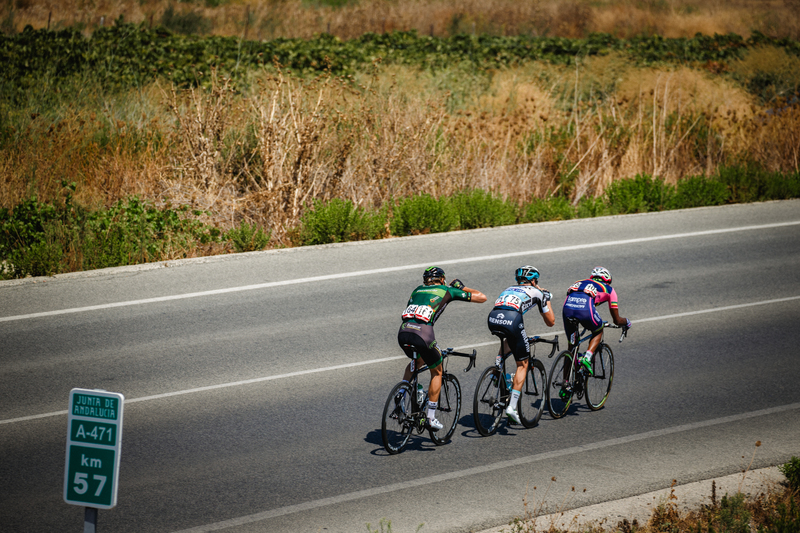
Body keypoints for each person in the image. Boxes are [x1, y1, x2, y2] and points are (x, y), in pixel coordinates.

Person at [398, 266, 487, 430]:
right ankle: (431, 417)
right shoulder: (447, 290)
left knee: (417, 361)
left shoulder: (416, 290)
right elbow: (482, 297)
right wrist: (461, 287)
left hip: (403, 333)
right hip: (423, 335)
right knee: (437, 370)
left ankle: (402, 392)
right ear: (442, 279)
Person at [487, 265, 556, 424]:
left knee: (509, 337)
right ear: (533, 280)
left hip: (493, 318)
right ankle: (512, 407)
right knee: (523, 364)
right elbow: (551, 322)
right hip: (512, 320)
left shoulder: (509, 288)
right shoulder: (539, 292)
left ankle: (497, 367)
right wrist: (546, 298)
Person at [562, 266, 631, 382]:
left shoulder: (579, 282)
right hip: (585, 310)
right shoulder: (609, 289)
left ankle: (565, 384)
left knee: (572, 348)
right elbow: (617, 320)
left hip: (567, 309)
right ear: (608, 280)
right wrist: (627, 322)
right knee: (598, 330)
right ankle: (587, 358)